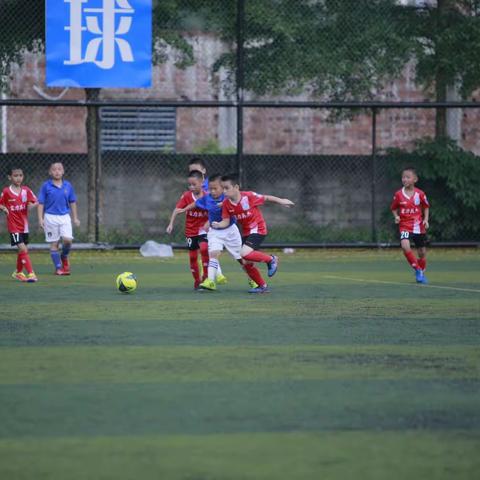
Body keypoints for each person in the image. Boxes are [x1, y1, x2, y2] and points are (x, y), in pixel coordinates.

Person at [212, 174, 294, 293]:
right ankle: (262, 287)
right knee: (246, 263)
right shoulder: (226, 204)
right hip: (246, 232)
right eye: (223, 188)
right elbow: (226, 221)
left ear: (236, 187)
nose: (224, 191)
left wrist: (281, 201)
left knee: (244, 253)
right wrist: (219, 225)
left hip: (258, 228)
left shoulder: (248, 196)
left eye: (227, 188)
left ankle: (271, 259)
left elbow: (266, 198)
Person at [179, 173, 256, 291]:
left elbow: (239, 200)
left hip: (230, 231)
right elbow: (196, 203)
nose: (213, 191)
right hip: (215, 231)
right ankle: (210, 281)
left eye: (215, 188)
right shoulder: (207, 198)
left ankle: (253, 279)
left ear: (223, 188)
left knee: (241, 258)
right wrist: (184, 209)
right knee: (213, 254)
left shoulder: (228, 198)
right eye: (210, 189)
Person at [166, 170, 226, 290]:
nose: (191, 187)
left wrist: (209, 222)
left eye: (194, 184)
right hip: (191, 230)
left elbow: (214, 210)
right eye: (190, 184)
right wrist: (171, 224)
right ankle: (197, 281)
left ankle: (206, 278)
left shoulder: (208, 195)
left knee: (204, 249)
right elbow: (177, 209)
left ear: (201, 182)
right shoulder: (186, 196)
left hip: (204, 230)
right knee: (193, 257)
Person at [37, 162, 80, 275]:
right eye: (54, 169)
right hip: (50, 217)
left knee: (67, 240)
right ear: (50, 172)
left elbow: (72, 202)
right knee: (54, 243)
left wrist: (75, 218)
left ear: (63, 171)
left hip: (65, 217)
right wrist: (40, 219)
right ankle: (58, 268)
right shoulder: (46, 186)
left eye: (59, 169)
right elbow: (40, 203)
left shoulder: (68, 186)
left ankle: (64, 256)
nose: (57, 171)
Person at [391, 167, 430, 284]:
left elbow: (426, 207)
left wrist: (426, 220)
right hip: (404, 226)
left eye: (408, 177)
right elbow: (393, 208)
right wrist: (396, 216)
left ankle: (421, 271)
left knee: (422, 252)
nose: (405, 179)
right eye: (403, 177)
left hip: (418, 226)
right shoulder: (398, 194)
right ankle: (417, 269)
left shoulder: (420, 194)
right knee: (405, 246)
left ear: (415, 179)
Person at [0, 166, 39, 282]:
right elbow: (0, 203)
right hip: (13, 226)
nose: (18, 178)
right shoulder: (6, 191)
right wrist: (3, 208)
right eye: (15, 176)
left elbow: (34, 202)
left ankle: (18, 272)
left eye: (20, 176)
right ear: (9, 177)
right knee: (23, 249)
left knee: (22, 250)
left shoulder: (26, 190)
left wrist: (32, 205)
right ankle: (31, 274)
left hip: (24, 226)